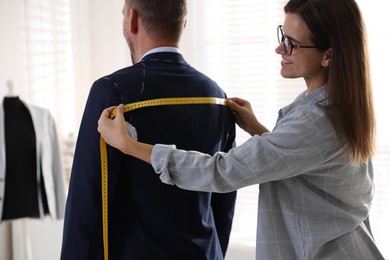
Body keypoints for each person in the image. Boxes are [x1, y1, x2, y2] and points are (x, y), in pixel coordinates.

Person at [97, 0, 386, 259]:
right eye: (281, 36)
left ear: (328, 56)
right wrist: (258, 129)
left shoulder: (317, 121)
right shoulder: (331, 104)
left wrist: (129, 145)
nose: (279, 48)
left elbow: (220, 172)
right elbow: (300, 166)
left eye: (292, 44)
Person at [61, 0, 237, 259]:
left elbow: (86, 202)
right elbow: (225, 198)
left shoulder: (112, 92)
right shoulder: (217, 97)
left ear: (132, 19)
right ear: (183, 24)